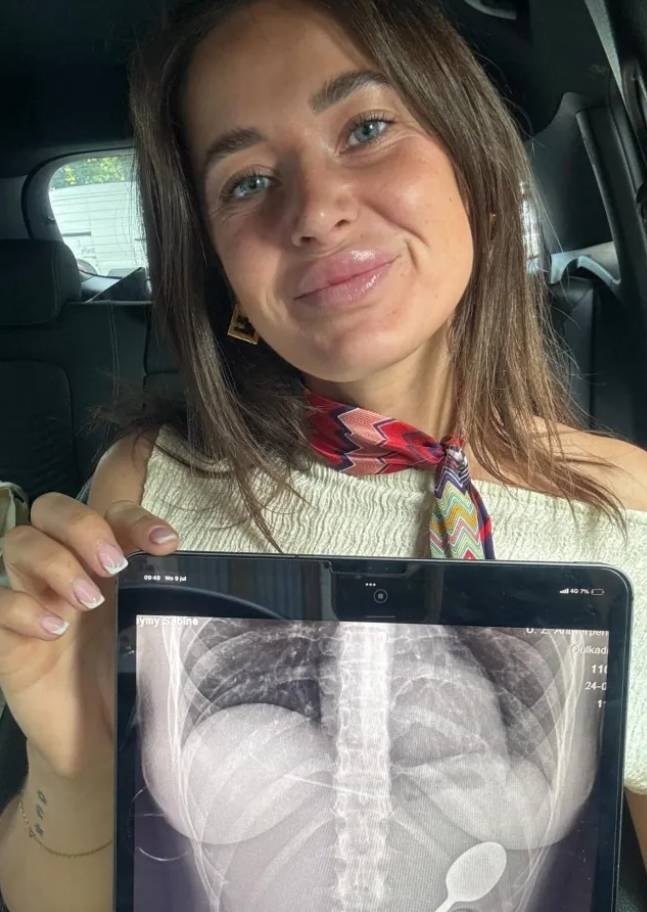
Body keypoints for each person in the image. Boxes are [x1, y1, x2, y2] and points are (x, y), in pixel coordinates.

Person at [0, 0, 646, 909]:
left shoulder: (625, 511)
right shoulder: (145, 497)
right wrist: (70, 764)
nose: (313, 212)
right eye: (247, 181)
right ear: (218, 265)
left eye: (367, 128)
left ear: (474, 165)